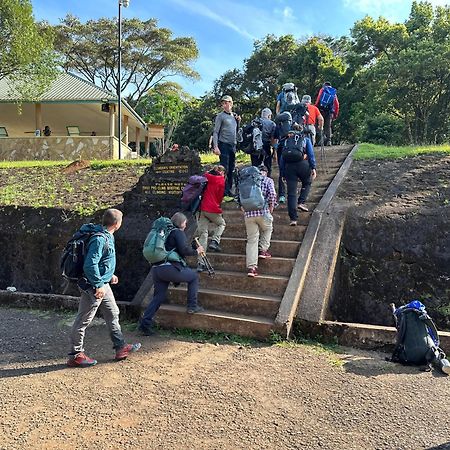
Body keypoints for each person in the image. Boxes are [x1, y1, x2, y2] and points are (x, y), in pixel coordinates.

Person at [67, 209, 141, 367]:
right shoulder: (100, 239)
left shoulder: (106, 235)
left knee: (113, 312)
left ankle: (120, 347)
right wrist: (99, 283)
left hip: (102, 283)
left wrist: (109, 275)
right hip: (93, 286)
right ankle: (75, 355)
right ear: (117, 224)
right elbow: (90, 264)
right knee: (83, 319)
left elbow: (102, 260)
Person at [139, 212, 205, 335]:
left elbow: (175, 249)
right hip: (169, 268)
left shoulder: (165, 232)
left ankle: (144, 324)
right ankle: (192, 306)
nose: (186, 226)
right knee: (194, 277)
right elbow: (184, 250)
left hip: (157, 269)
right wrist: (197, 250)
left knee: (158, 297)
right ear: (181, 223)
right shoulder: (178, 232)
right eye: (185, 223)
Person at [243, 165, 277, 278]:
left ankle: (252, 268)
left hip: (248, 215)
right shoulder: (267, 180)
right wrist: (271, 207)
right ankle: (263, 250)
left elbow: (239, 198)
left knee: (252, 240)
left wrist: (244, 210)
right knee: (268, 228)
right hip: (263, 212)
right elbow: (272, 194)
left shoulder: (246, 181)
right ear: (265, 172)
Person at [280, 135, 317, 226]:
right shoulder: (305, 139)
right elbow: (311, 154)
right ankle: (301, 202)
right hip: (303, 165)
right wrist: (313, 167)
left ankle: (293, 219)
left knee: (291, 193)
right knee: (307, 182)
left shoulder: (286, 141)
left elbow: (282, 158)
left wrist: (282, 172)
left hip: (289, 167)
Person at [196, 165, 226, 269]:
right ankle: (215, 241)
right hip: (212, 209)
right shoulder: (221, 180)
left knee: (203, 235)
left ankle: (201, 262)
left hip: (202, 209)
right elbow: (219, 197)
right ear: (221, 172)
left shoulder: (205, 176)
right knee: (222, 223)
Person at [213, 95, 241, 200]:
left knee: (231, 169)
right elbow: (215, 132)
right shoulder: (220, 116)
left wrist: (239, 121)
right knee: (224, 168)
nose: (225, 105)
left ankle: (229, 191)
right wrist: (215, 146)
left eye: (227, 102)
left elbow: (236, 131)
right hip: (223, 144)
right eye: (223, 103)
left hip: (232, 145)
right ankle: (223, 192)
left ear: (231, 103)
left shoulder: (234, 116)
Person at [315, 82, 339, 146]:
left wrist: (315, 108)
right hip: (330, 112)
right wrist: (335, 114)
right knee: (328, 126)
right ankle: (329, 141)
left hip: (321, 111)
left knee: (320, 125)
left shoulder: (322, 90)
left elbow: (318, 100)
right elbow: (337, 104)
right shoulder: (333, 92)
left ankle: (320, 140)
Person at [255, 108, 277, 177]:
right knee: (267, 166)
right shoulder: (272, 124)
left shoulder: (256, 121)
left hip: (255, 146)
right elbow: (273, 139)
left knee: (255, 166)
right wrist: (274, 151)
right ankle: (267, 180)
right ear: (269, 115)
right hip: (266, 146)